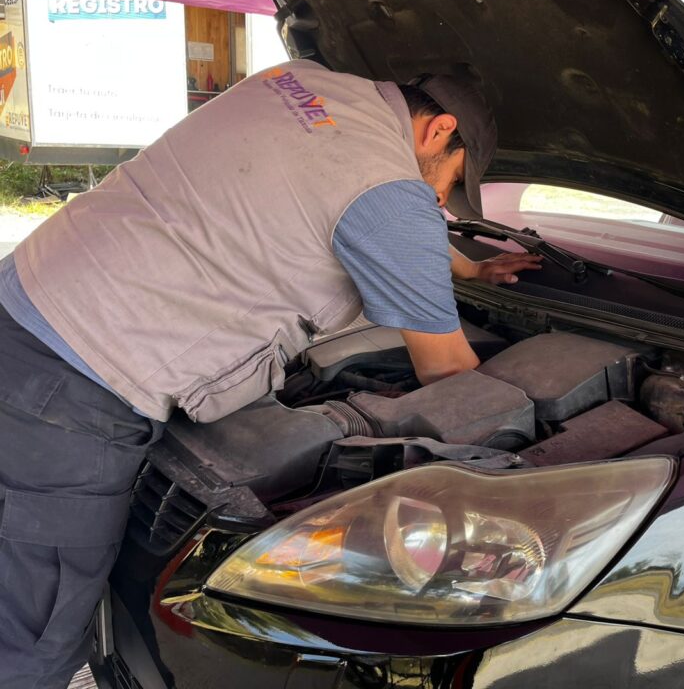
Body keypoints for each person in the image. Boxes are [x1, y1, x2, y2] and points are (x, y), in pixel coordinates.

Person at [0, 59, 541, 688]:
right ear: (439, 129)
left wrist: (468, 269)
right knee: (36, 633)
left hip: (24, 304)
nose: (441, 200)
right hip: (71, 389)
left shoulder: (299, 82)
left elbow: (353, 195)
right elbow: (447, 368)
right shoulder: (387, 194)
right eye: (448, 181)